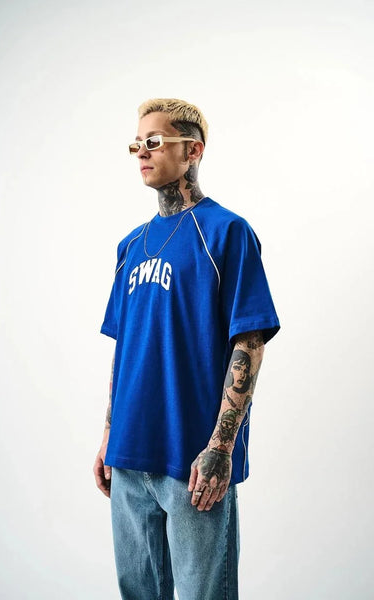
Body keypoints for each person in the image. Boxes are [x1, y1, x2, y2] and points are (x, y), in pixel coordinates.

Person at [93, 98, 280, 600]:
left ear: (192, 150)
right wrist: (109, 435)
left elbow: (249, 342)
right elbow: (125, 350)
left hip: (193, 461)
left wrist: (220, 447)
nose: (141, 152)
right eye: (136, 144)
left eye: (154, 142)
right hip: (129, 454)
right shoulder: (130, 246)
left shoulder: (226, 232)